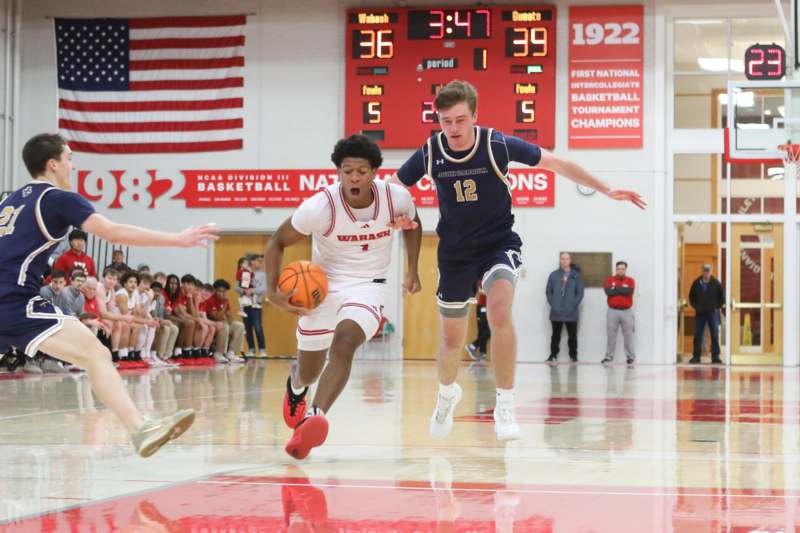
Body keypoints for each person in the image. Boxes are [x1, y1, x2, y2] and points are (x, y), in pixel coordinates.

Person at [392, 80, 645, 441]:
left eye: (460, 120)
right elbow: (397, 188)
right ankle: (447, 394)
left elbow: (556, 163)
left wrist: (606, 189)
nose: (453, 129)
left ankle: (505, 404)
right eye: (446, 121)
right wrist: (397, 214)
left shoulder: (496, 145)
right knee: (451, 339)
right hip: (456, 251)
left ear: (475, 116)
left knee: (498, 313)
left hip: (498, 244)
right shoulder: (432, 152)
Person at [0, 133, 218, 457]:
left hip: (10, 298)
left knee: (93, 354)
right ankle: (139, 428)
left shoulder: (12, 201)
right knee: (96, 355)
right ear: (53, 163)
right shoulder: (58, 199)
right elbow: (112, 232)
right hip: (14, 301)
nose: (73, 164)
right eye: (70, 157)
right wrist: (178, 240)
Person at [266, 134, 422, 459]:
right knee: (309, 370)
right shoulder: (320, 207)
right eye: (347, 170)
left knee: (345, 342)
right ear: (338, 172)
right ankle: (297, 387)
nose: (354, 177)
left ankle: (315, 415)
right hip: (322, 288)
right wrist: (272, 292)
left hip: (369, 284)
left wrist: (412, 269)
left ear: (375, 172)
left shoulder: (397, 199)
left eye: (361, 171)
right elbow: (277, 241)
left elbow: (415, 224)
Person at [546, 253, 584, 363]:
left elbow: (580, 293)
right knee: (555, 335)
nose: (564, 261)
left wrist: (573, 305)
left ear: (570, 260)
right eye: (562, 259)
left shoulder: (576, 275)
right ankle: (553, 355)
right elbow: (548, 291)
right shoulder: (553, 275)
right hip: (556, 311)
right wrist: (554, 304)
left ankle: (573, 356)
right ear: (560, 260)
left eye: (567, 259)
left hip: (571, 312)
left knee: (572, 336)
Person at [601, 261, 636, 365]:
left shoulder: (630, 280)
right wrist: (622, 289)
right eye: (618, 269)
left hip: (627, 312)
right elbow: (608, 292)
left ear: (625, 270)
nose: (620, 270)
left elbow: (629, 292)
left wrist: (615, 287)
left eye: (622, 269)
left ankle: (630, 357)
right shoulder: (609, 279)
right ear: (615, 269)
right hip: (612, 311)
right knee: (611, 335)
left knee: (628, 335)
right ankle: (608, 357)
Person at [689, 263, 724, 364]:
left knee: (714, 334)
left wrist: (715, 307)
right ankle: (696, 356)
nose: (706, 272)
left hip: (712, 313)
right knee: (698, 335)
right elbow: (691, 297)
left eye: (708, 270)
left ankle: (715, 356)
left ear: (711, 271)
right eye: (705, 270)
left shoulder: (716, 283)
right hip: (700, 313)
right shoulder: (696, 283)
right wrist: (696, 306)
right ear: (702, 271)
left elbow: (722, 298)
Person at [204, 279, 246, 363]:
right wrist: (225, 305)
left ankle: (231, 353)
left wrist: (230, 321)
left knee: (239, 325)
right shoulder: (210, 300)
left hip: (223, 323)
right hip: (213, 325)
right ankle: (218, 353)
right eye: (219, 291)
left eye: (224, 292)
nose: (221, 294)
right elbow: (216, 317)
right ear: (215, 290)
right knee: (224, 326)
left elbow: (229, 316)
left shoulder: (225, 301)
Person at [238, 253, 267, 357]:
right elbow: (238, 287)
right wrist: (244, 290)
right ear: (252, 262)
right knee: (247, 327)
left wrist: (252, 291)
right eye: (258, 261)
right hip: (245, 303)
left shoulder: (262, 275)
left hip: (256, 304)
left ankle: (262, 349)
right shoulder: (245, 273)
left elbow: (264, 288)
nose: (260, 263)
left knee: (258, 326)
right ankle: (251, 349)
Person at [465, 289, 489, 361]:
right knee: (487, 331)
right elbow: (481, 291)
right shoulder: (482, 279)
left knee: (484, 332)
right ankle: (473, 346)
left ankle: (482, 354)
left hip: (488, 307)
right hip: (483, 306)